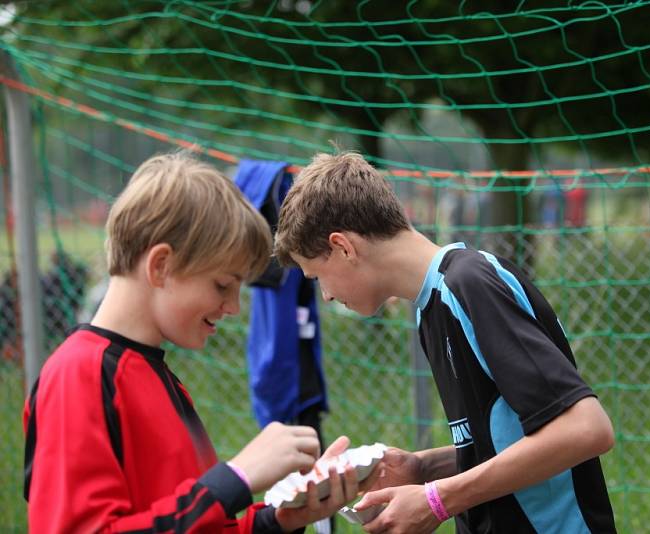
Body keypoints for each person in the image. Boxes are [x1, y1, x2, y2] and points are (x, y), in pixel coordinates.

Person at [274, 151, 617, 534]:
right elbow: (508, 442)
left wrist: (438, 501)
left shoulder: (469, 285)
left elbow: (585, 430)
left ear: (344, 247)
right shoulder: (432, 306)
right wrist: (422, 469)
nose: (327, 296)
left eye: (318, 276)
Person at [23, 152, 363, 533]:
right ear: (161, 266)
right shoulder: (80, 374)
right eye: (222, 285)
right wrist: (233, 479)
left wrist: (277, 521)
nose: (233, 307)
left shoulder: (157, 375)